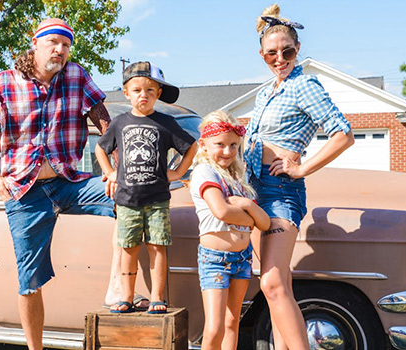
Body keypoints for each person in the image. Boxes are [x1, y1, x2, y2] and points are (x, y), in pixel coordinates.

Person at [0, 18, 139, 350]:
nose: (60, 50)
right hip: (25, 192)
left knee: (129, 198)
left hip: (69, 181)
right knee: (29, 282)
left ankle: (119, 289)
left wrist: (116, 167)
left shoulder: (76, 76)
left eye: (65, 45)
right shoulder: (3, 83)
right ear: (36, 44)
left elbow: (103, 120)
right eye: (53, 43)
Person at [245, 5, 355, 349]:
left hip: (280, 189)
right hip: (255, 188)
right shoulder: (267, 91)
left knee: (272, 284)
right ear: (262, 55)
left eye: (287, 51)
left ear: (298, 49)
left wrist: (301, 168)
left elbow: (343, 133)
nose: (280, 58)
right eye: (271, 54)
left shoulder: (303, 84)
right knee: (278, 284)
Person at [95, 61, 198, 314]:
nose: (144, 95)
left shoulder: (165, 123)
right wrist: (110, 173)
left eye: (150, 91)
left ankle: (157, 298)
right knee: (128, 248)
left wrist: (179, 172)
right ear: (126, 92)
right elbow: (100, 148)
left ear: (158, 95)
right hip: (127, 199)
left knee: (157, 247)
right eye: (137, 90)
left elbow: (191, 147)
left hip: (158, 200)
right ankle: (126, 297)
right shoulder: (119, 123)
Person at [189, 111, 270, 350]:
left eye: (233, 145)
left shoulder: (237, 178)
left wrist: (245, 204)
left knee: (232, 321)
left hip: (241, 258)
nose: (227, 151)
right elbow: (221, 211)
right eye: (220, 145)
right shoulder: (205, 172)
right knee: (214, 326)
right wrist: (251, 216)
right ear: (203, 144)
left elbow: (264, 224)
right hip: (215, 258)